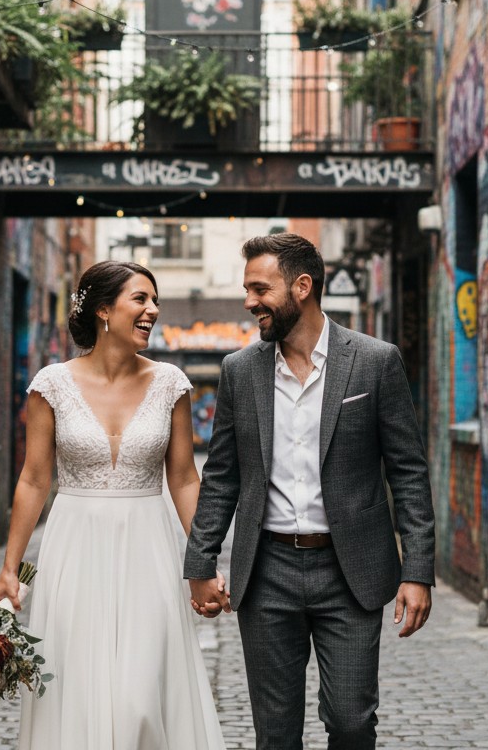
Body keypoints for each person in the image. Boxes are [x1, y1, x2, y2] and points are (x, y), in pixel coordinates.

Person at [185, 233, 435, 750]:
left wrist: (417, 570)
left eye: (260, 288)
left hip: (351, 571)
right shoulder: (240, 371)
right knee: (275, 734)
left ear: (302, 287)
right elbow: (223, 475)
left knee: (350, 721)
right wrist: (200, 562)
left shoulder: (374, 361)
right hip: (267, 569)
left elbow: (407, 471)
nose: (250, 301)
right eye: (247, 288)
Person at [0, 260, 227, 750]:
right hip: (76, 548)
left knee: (140, 699)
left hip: (149, 549)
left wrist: (204, 561)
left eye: (154, 301)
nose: (153, 310)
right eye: (140, 299)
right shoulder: (50, 385)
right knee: (76, 688)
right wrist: (10, 567)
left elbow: (183, 480)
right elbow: (35, 479)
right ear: (103, 310)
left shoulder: (171, 384)